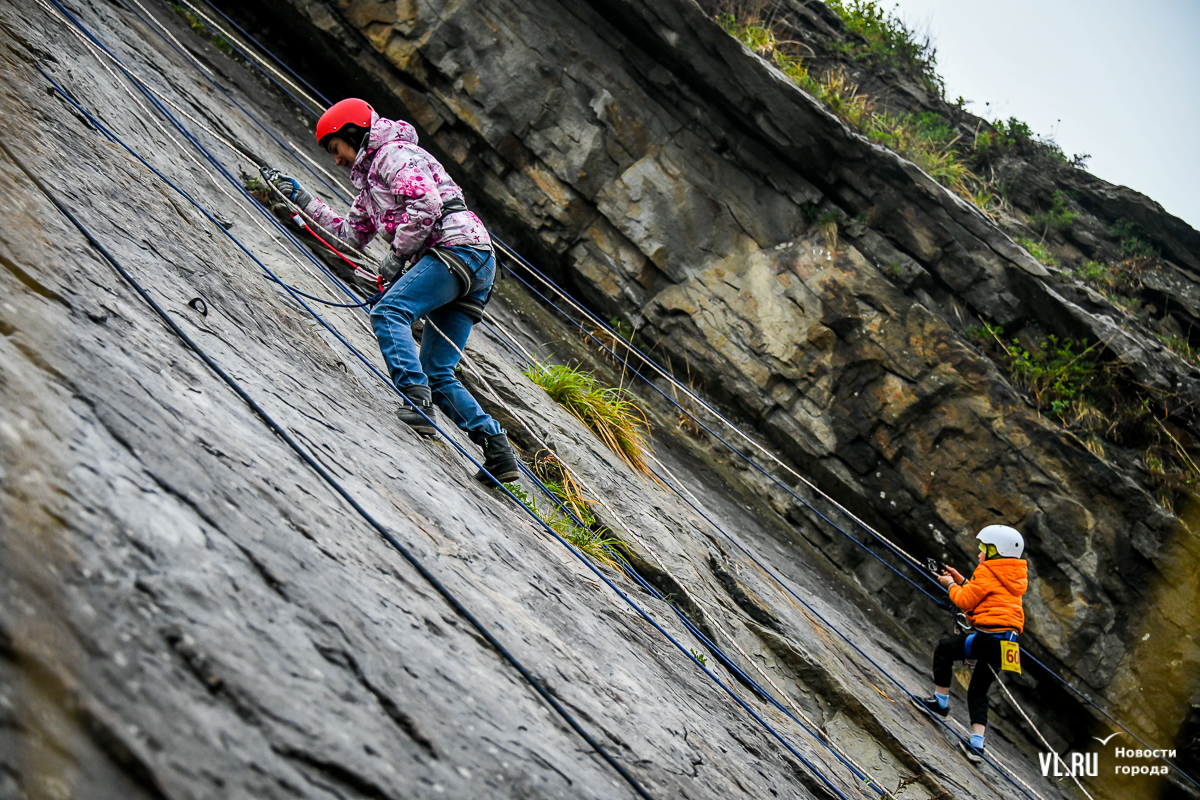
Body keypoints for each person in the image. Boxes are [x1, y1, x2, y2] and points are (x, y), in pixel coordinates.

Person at [268, 98, 520, 485]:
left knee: (388, 312)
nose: (336, 160)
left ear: (353, 132)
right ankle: (497, 446)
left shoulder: (391, 154)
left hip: (455, 249)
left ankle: (416, 404)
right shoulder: (371, 189)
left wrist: (397, 257)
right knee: (439, 372)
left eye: (336, 149)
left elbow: (425, 202)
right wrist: (302, 200)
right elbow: (348, 236)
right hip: (476, 262)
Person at [914, 525, 1028, 764]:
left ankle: (940, 702)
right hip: (1009, 644)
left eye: (983, 549)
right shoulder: (1012, 577)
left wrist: (950, 585)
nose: (979, 555)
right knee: (978, 690)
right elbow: (987, 596)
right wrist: (961, 579)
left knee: (945, 649)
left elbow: (966, 601)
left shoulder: (987, 570)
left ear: (996, 551)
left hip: (989, 638)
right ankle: (977, 744)